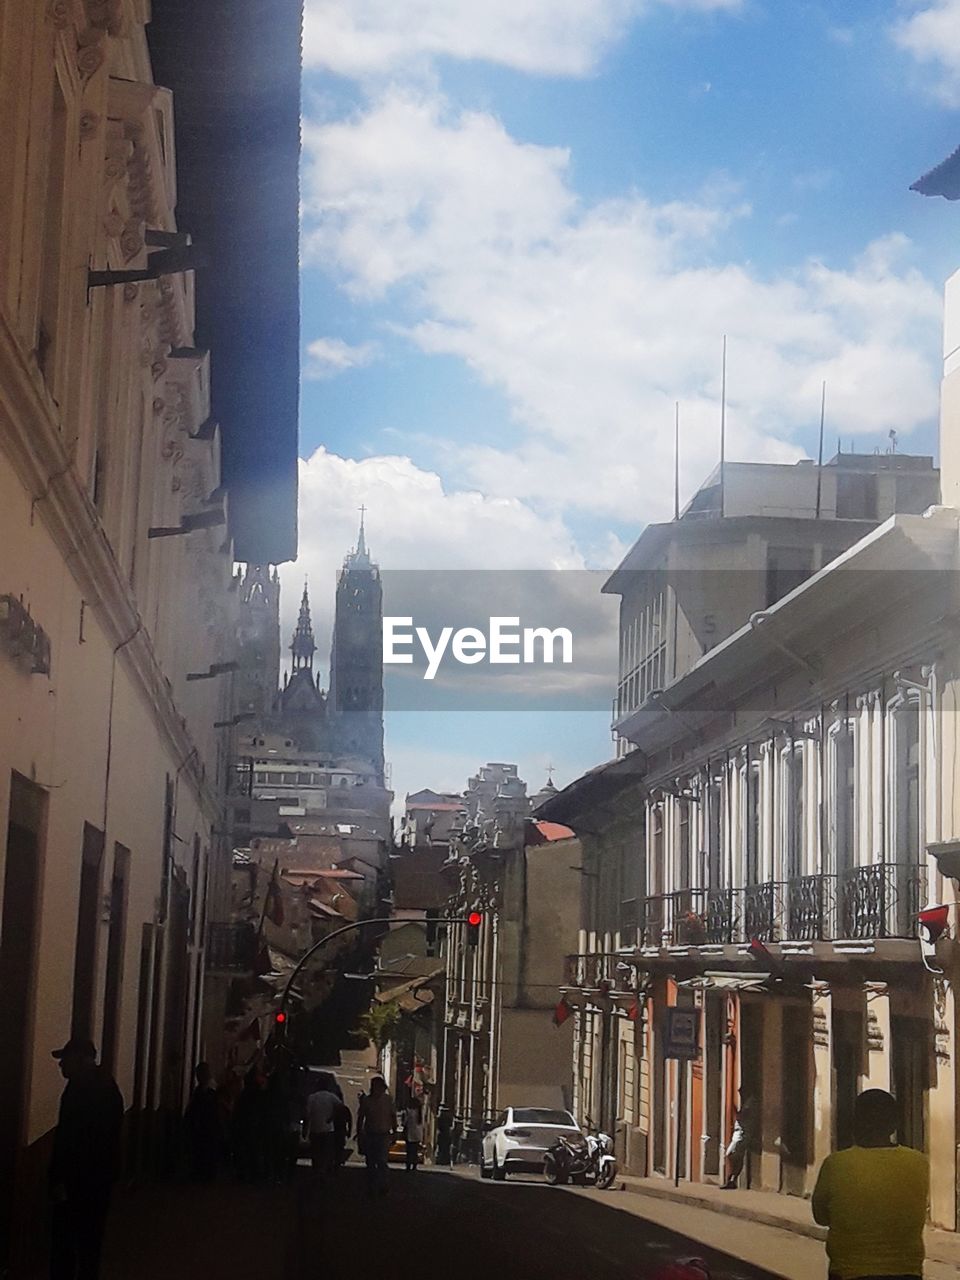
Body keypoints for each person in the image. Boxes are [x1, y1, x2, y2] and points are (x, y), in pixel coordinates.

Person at [812, 1089, 928, 1280]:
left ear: (855, 1124)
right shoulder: (919, 1162)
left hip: (850, 1272)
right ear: (894, 1125)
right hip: (907, 1272)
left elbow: (821, 1217)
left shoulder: (836, 1164)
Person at [48, 1036, 124, 1280]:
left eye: (65, 1060)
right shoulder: (104, 1086)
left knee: (66, 1244)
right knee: (89, 1244)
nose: (61, 1066)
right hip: (96, 1181)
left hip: (78, 1182)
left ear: (81, 1059)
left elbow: (72, 1141)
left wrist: (60, 1178)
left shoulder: (83, 1090)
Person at [357, 1076, 396, 1196]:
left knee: (382, 1161)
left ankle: (383, 1185)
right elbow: (361, 1118)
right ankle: (371, 1185)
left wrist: (394, 1132)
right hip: (370, 1134)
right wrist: (359, 1133)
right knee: (370, 1162)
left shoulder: (388, 1100)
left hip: (383, 1134)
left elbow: (392, 1116)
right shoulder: (367, 1101)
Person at [306, 1073, 349, 1179]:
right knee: (326, 1152)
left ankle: (316, 1170)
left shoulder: (312, 1097)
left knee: (315, 1152)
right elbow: (341, 1108)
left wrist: (305, 1129)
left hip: (315, 1129)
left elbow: (307, 1114)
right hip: (328, 1129)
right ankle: (324, 1171)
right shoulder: (331, 1097)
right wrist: (332, 1117)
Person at [184, 1062, 221, 1182]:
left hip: (206, 1127)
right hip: (204, 1127)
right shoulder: (204, 1091)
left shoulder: (207, 1091)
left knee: (205, 1152)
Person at [722, 1095, 756, 1189]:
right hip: (737, 1135)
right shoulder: (743, 1113)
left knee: (732, 1155)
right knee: (732, 1156)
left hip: (740, 1136)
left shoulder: (748, 1114)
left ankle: (733, 1178)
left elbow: (743, 1122)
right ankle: (732, 1179)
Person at [402, 1098, 424, 1171]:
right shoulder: (419, 1112)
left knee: (409, 1150)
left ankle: (408, 1165)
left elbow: (405, 1122)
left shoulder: (408, 1111)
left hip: (409, 1133)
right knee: (415, 1151)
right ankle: (414, 1165)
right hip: (417, 1134)